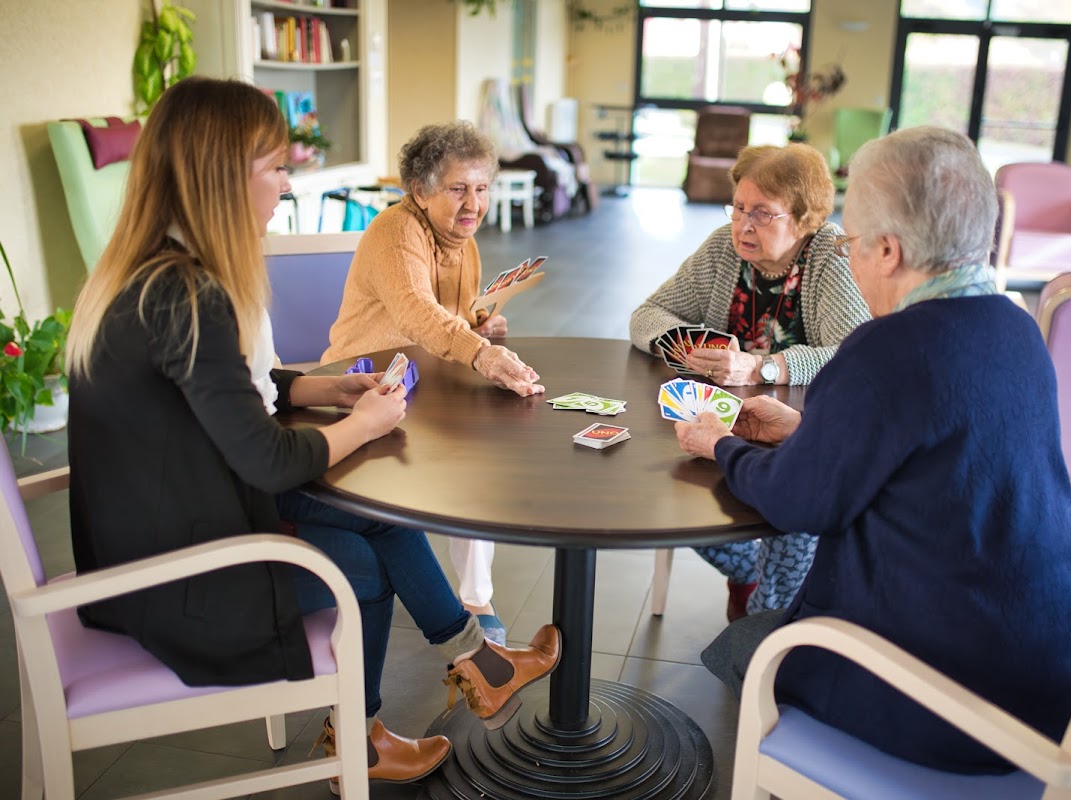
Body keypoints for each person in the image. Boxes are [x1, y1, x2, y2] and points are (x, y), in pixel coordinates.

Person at [64, 77, 560, 792]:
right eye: (277, 168)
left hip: (181, 510)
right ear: (223, 178)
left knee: (378, 517)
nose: (286, 187)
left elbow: (231, 395)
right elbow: (264, 458)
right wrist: (362, 424)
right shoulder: (187, 297)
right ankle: (359, 739)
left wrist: (322, 388)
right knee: (361, 564)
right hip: (176, 576)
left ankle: (474, 669)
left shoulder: (158, 274)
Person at [674, 126, 1071, 774]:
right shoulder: (1016, 328)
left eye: (849, 244)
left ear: (886, 249)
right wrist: (804, 434)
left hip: (952, 704)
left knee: (744, 644)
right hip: (1061, 687)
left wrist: (720, 443)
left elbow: (801, 503)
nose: (846, 259)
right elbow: (937, 461)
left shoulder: (886, 349)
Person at [321, 121, 542, 645]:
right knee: (469, 456)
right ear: (419, 191)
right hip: (360, 387)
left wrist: (479, 326)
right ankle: (472, 615)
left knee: (480, 451)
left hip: (418, 383)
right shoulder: (396, 232)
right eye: (458, 189)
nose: (474, 205)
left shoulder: (462, 242)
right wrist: (481, 352)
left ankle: (475, 598)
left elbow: (451, 318)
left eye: (482, 188)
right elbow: (419, 314)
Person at [629, 142, 871, 619]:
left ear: (804, 219)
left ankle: (764, 640)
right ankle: (747, 572)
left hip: (802, 429)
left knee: (795, 518)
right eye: (739, 208)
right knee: (670, 486)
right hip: (726, 422)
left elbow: (856, 353)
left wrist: (765, 366)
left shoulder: (829, 255)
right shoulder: (724, 248)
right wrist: (685, 343)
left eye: (762, 214)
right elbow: (645, 315)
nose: (743, 225)